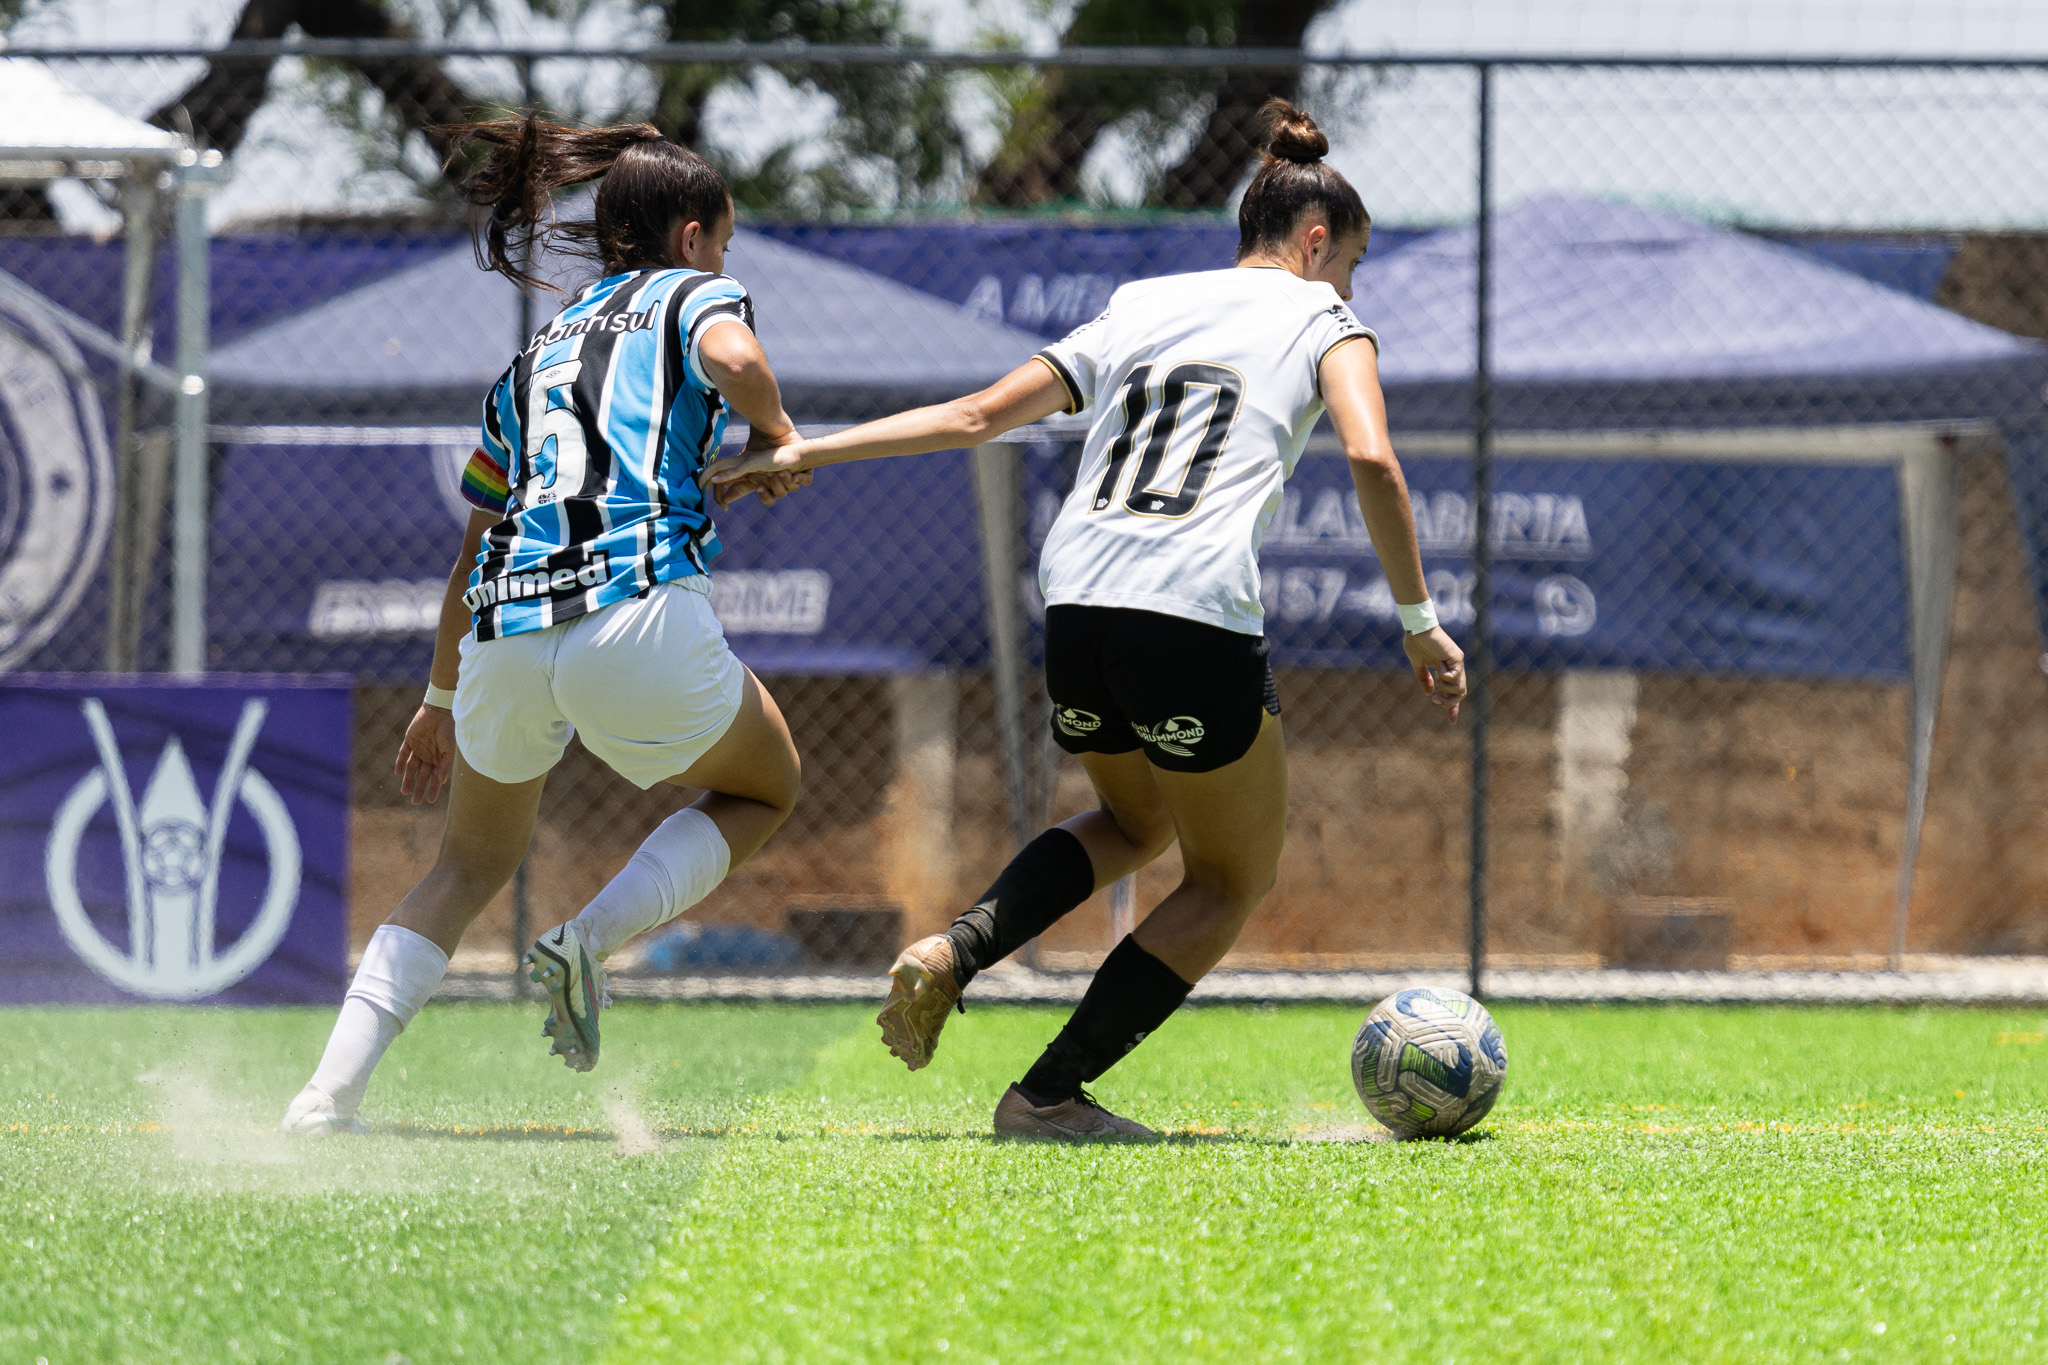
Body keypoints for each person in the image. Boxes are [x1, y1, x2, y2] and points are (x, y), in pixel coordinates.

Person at [707, 99, 1466, 1141]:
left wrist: (804, 451)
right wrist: (1417, 619)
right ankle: (1047, 1094)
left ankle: (954, 950)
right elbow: (1373, 459)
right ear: (1316, 240)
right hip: (1188, 613)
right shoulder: (1326, 320)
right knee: (1230, 875)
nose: (1352, 287)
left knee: (1136, 821)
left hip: (1076, 602)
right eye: (1352, 264)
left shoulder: (1139, 304)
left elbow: (976, 416)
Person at [282, 117, 809, 1136]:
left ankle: (322, 1099)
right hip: (635, 609)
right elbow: (735, 351)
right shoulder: (693, 291)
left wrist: (438, 699)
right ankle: (586, 938)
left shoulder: (532, 356)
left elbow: (470, 548)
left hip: (505, 632)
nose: (724, 262)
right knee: (767, 784)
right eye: (726, 244)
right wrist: (775, 435)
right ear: (693, 236)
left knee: (466, 866)